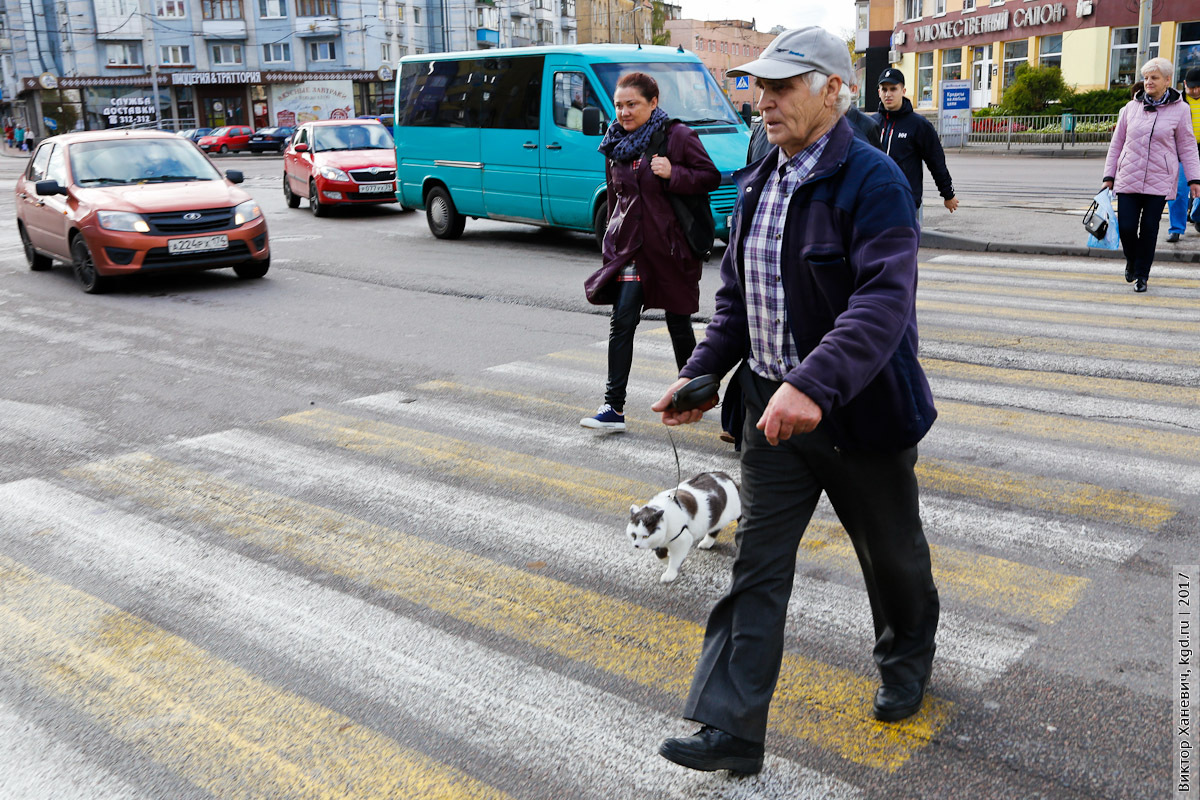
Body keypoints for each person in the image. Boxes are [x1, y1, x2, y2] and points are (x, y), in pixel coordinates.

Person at [653, 26, 939, 775]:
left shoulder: (872, 181)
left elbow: (882, 301)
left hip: (861, 413)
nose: (763, 99)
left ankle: (907, 653)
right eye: (758, 86)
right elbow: (738, 304)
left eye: (783, 86)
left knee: (892, 557)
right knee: (756, 568)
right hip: (772, 415)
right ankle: (732, 731)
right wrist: (704, 374)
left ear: (833, 90)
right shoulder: (758, 179)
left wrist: (812, 383)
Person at [580, 72, 720, 431]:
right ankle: (613, 408)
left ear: (653, 103)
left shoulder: (676, 136)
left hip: (671, 248)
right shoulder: (613, 144)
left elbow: (709, 177)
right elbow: (615, 199)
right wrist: (611, 242)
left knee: (678, 321)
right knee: (622, 320)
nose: (624, 113)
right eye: (619, 105)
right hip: (631, 248)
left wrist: (673, 173)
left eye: (632, 105)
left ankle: (694, 394)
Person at [1103, 57, 1200, 292]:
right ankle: (1132, 261)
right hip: (1128, 176)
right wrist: (1109, 175)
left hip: (1160, 178)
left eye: (1154, 78)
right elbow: (1117, 143)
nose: (1148, 82)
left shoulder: (1181, 110)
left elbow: (1187, 146)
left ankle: (1142, 275)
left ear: (1167, 81)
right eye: (1146, 77)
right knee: (1126, 227)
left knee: (1149, 228)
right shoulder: (1130, 108)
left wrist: (1194, 179)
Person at [875, 68, 958, 218]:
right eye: (884, 89)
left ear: (903, 90)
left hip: (904, 203)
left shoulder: (919, 125)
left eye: (893, 89)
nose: (888, 94)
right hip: (873, 202)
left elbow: (936, 161)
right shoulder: (872, 123)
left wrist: (948, 194)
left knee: (900, 242)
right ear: (879, 92)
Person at [1165, 67, 1200, 242]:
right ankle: (1176, 228)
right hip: (1181, 153)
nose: (1195, 91)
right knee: (1178, 191)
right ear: (1184, 84)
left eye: (1199, 87)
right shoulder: (1177, 102)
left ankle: (1197, 216)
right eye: (1192, 87)